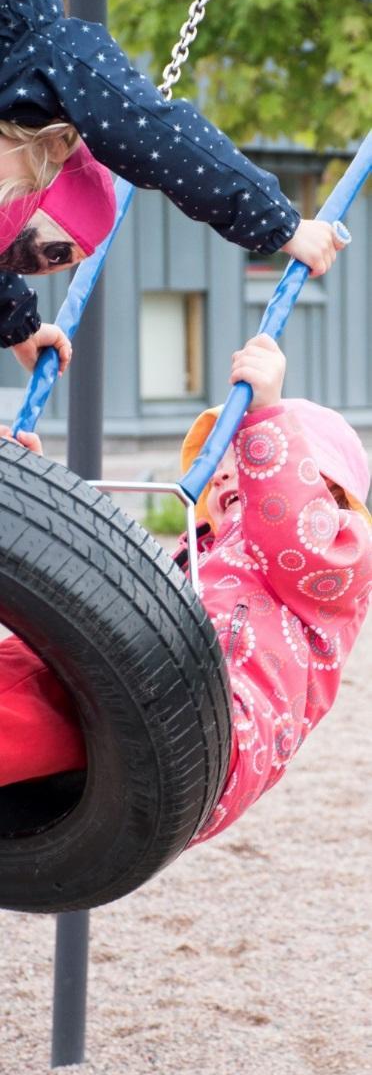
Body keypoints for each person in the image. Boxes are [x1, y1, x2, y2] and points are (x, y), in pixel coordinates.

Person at [0, 334, 370, 849]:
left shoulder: (335, 553)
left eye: (238, 450)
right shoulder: (202, 552)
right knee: (28, 662)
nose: (219, 471)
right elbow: (91, 589)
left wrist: (265, 418)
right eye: (214, 458)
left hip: (203, 727)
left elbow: (297, 532)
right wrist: (28, 501)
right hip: (139, 715)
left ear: (326, 484)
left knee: (25, 697)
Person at [0, 0, 348, 365]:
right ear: (50, 151)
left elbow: (150, 133)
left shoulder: (38, 57)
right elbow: (150, 135)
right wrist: (280, 223)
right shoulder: (41, 54)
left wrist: (18, 323)